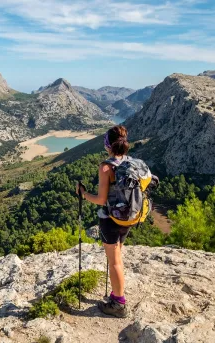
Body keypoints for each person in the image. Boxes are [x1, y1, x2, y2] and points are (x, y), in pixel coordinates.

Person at [75, 125, 132, 318]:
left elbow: (100, 199)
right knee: (118, 257)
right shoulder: (131, 163)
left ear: (108, 145)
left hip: (111, 219)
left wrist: (83, 194)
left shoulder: (106, 166)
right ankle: (116, 293)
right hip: (128, 218)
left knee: (114, 261)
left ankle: (118, 304)